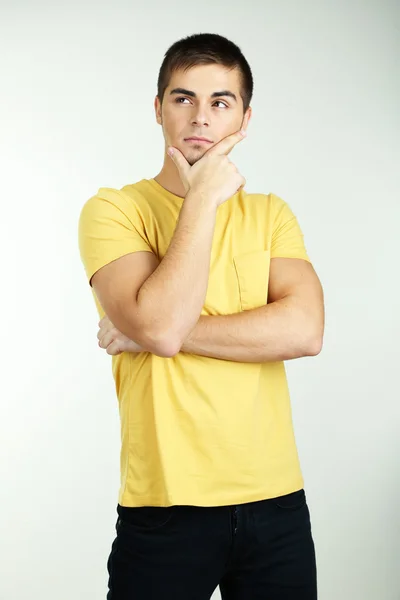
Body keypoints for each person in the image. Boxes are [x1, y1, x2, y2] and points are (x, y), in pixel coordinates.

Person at [78, 32, 325, 600]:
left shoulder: (270, 214)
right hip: (166, 506)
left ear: (244, 116)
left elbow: (304, 331)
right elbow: (160, 326)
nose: (201, 116)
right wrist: (203, 200)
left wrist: (149, 333)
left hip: (276, 503)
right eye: (183, 98)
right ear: (158, 108)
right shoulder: (114, 209)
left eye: (221, 102)